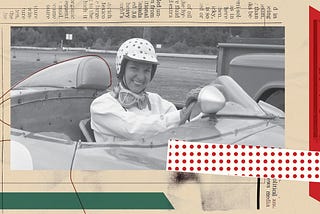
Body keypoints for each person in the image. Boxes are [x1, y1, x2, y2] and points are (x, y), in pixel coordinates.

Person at [90, 38, 198, 142]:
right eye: (134, 68)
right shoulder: (101, 105)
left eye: (147, 70)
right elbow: (133, 128)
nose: (141, 77)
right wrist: (181, 115)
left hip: (155, 158)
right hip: (115, 160)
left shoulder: (157, 101)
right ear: (122, 70)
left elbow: (183, 129)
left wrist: (199, 109)